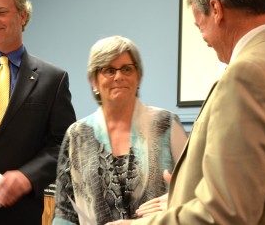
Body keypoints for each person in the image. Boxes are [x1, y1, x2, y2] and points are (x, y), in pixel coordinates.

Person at [106, 0, 265, 225]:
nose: (205, 40)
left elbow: (226, 214)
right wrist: (184, 196)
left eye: (200, 27)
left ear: (216, 9)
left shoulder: (245, 75)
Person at [52, 35, 187, 224]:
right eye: (108, 70)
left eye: (127, 69)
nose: (119, 76)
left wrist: (178, 200)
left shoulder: (167, 124)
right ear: (94, 80)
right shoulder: (77, 134)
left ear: (138, 76)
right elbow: (65, 211)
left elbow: (196, 192)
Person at [0, 0, 76, 225]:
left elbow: (63, 145)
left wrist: (26, 177)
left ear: (22, 16)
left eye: (0, 12)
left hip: (19, 213)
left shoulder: (54, 79)